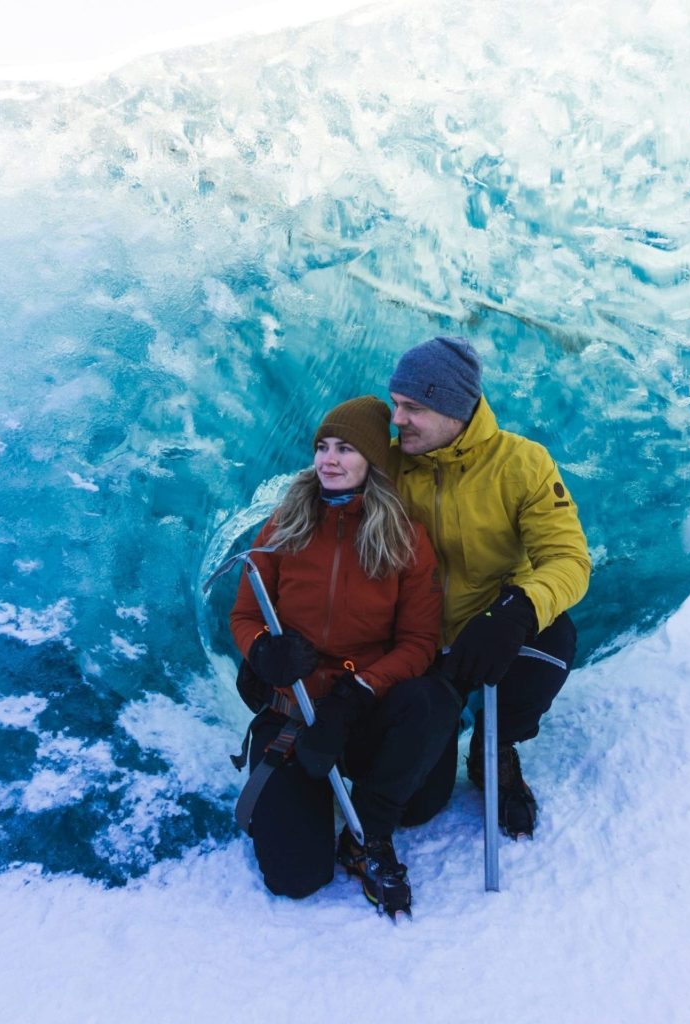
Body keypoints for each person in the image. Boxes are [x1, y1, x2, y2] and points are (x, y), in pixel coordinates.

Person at [229, 396, 452, 915]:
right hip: (297, 713)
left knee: (424, 781)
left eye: (345, 449)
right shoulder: (285, 524)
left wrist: (355, 693)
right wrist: (264, 653)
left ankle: (368, 834)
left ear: (372, 460)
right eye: (323, 447)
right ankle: (304, 788)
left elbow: (418, 644)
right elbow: (244, 615)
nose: (328, 459)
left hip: (364, 709)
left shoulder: (406, 539)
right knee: (295, 876)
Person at [387, 336, 591, 839]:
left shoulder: (522, 463)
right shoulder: (388, 466)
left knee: (553, 637)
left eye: (412, 407)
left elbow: (568, 559)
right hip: (419, 643)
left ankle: (495, 746)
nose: (397, 420)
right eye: (395, 405)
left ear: (453, 408)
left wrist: (518, 609)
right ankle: (438, 723)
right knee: (414, 806)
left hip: (493, 627)